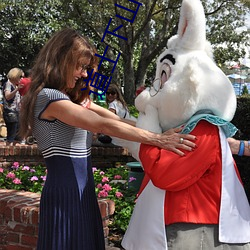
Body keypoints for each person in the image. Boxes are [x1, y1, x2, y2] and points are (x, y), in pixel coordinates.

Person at [19, 28, 196, 250]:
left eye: (86, 68)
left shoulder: (69, 100)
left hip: (82, 189)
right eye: (80, 66)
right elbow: (101, 124)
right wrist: (158, 139)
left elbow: (116, 120)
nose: (84, 74)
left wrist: (161, 128)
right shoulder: (49, 98)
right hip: (66, 192)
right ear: (62, 60)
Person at [3, 68, 24, 146]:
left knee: (17, 136)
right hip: (10, 112)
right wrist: (17, 89)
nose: (22, 79)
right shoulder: (8, 84)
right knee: (11, 135)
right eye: (20, 76)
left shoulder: (15, 85)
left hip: (16, 112)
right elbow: (7, 96)